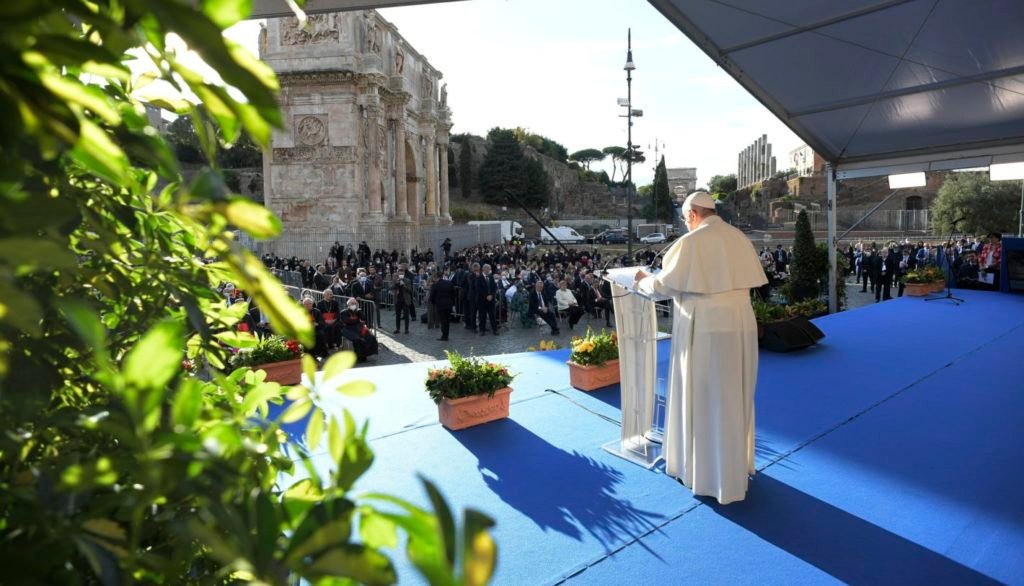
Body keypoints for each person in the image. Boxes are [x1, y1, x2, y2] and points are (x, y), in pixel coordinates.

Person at [634, 191, 766, 505]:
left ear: (693, 214)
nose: (686, 224)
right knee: (733, 394)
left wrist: (641, 280)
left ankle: (706, 474)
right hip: (741, 323)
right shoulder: (739, 237)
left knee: (704, 397)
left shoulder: (691, 242)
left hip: (705, 327)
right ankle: (732, 469)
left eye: (685, 219)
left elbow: (664, 286)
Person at [339, 297, 377, 362]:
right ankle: (358, 357)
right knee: (358, 340)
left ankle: (365, 355)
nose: (354, 305)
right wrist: (358, 321)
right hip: (348, 329)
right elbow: (347, 321)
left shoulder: (358, 311)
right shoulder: (343, 312)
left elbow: (363, 319)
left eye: (355, 303)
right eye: (352, 303)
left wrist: (359, 311)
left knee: (371, 337)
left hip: (359, 329)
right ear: (348, 305)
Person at [427, 270, 456, 341]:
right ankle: (446, 334)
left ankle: (444, 336)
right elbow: (453, 294)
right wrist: (452, 303)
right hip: (448, 304)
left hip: (440, 305)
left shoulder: (435, 285)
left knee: (443, 321)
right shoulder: (449, 283)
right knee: (447, 320)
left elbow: (431, 297)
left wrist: (435, 302)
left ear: (436, 277)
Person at [477, 263, 499, 336]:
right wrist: (486, 296)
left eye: (490, 269)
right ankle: (482, 330)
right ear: (484, 269)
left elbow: (494, 287)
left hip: (491, 300)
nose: (489, 270)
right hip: (482, 300)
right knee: (482, 315)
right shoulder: (479, 278)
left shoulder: (491, 277)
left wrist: (492, 295)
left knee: (492, 315)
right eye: (488, 269)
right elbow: (479, 289)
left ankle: (495, 329)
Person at [392, 264, 415, 334]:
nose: (401, 275)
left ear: (404, 274)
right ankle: (398, 329)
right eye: (400, 273)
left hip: (405, 300)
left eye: (402, 273)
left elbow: (410, 290)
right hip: (398, 300)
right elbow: (392, 287)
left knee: (406, 315)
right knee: (398, 315)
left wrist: (404, 285)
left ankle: (406, 329)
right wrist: (396, 283)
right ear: (398, 274)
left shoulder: (407, 280)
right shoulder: (395, 280)